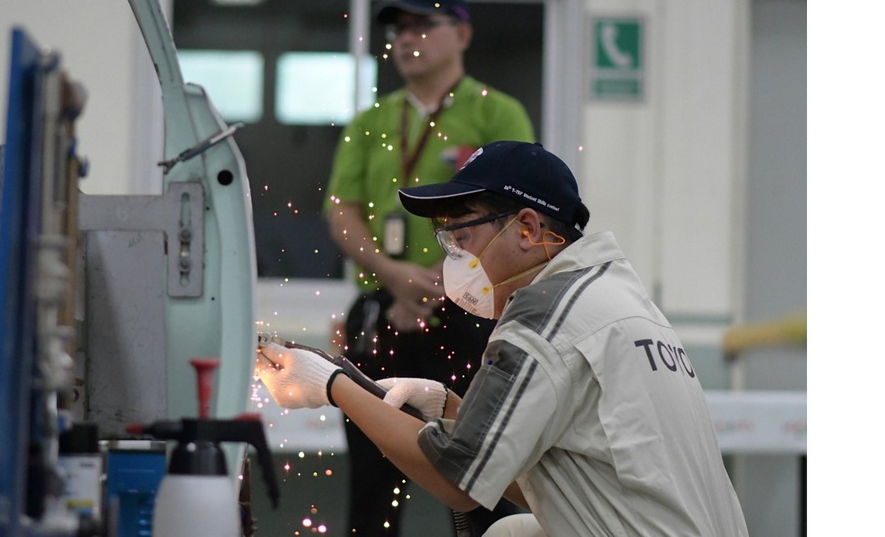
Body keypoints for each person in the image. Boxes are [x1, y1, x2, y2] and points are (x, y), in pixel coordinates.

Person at [262, 141, 750, 536]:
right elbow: (538, 474)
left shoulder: (543, 316)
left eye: (462, 238)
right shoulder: (616, 296)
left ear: (528, 229)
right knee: (512, 533)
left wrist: (333, 384)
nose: (454, 259)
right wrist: (447, 408)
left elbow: (459, 481)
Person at [323, 0, 535, 536]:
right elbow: (341, 210)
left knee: (479, 483)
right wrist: (392, 275)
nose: (406, 38)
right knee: (372, 487)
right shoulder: (371, 121)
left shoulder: (496, 113)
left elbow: (517, 211)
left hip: (470, 315)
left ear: (461, 34)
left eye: (422, 25)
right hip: (385, 311)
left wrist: (450, 278)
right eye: (399, 29)